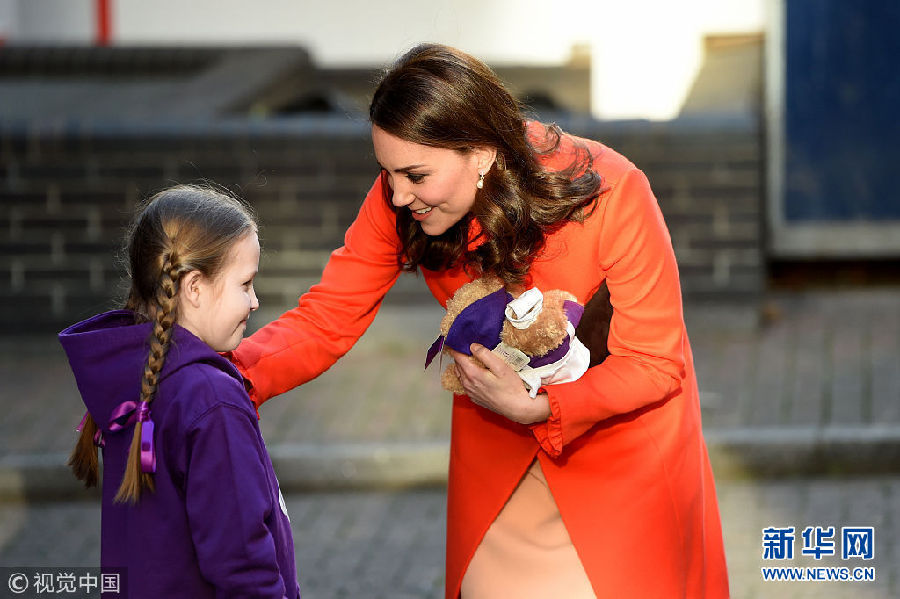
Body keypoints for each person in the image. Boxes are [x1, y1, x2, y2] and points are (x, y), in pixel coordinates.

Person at [231, 44, 729, 598]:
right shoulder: (402, 199)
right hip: (500, 454)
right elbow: (329, 314)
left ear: (483, 153)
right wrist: (222, 378)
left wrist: (541, 406)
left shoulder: (613, 190)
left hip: (623, 455)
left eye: (415, 174)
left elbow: (655, 363)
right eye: (386, 172)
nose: (397, 194)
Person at [60, 185, 300, 599]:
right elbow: (241, 559)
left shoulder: (130, 376)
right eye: (245, 284)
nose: (256, 300)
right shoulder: (212, 400)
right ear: (193, 287)